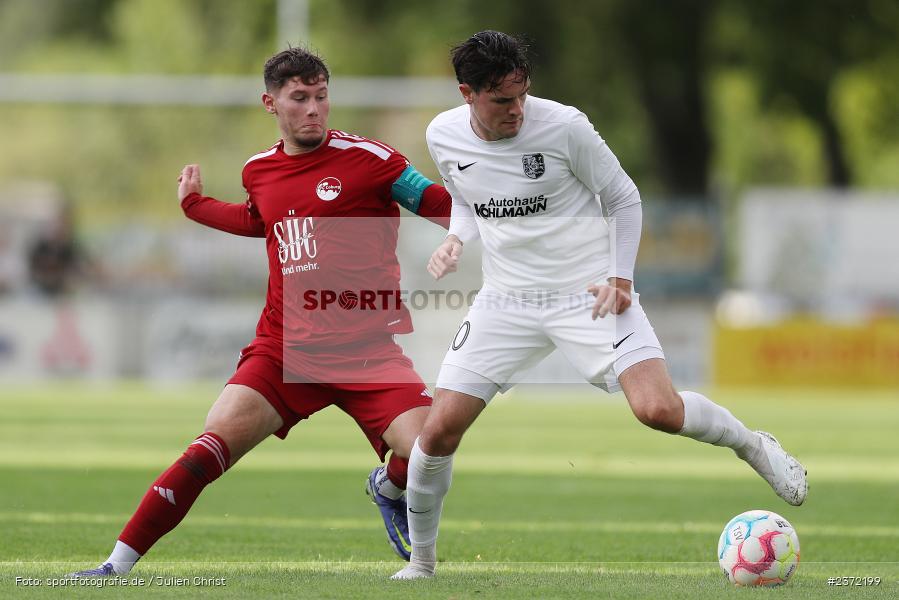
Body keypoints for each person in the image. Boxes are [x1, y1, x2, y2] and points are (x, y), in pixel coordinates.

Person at [392, 30, 808, 580]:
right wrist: (456, 238)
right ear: (467, 94)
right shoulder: (442, 134)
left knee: (657, 410)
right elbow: (471, 201)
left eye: (522, 94)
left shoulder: (564, 126)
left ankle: (753, 445)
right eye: (501, 100)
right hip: (507, 300)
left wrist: (620, 277)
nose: (517, 109)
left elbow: (623, 197)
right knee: (438, 431)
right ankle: (421, 566)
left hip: (589, 292)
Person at [69, 46, 452, 577]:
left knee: (431, 450)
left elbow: (442, 204)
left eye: (321, 96)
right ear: (270, 103)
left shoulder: (374, 160)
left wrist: (466, 237)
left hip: (367, 353)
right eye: (300, 98)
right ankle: (115, 566)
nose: (315, 109)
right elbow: (261, 220)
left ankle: (387, 485)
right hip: (283, 350)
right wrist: (194, 206)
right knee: (208, 447)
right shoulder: (259, 170)